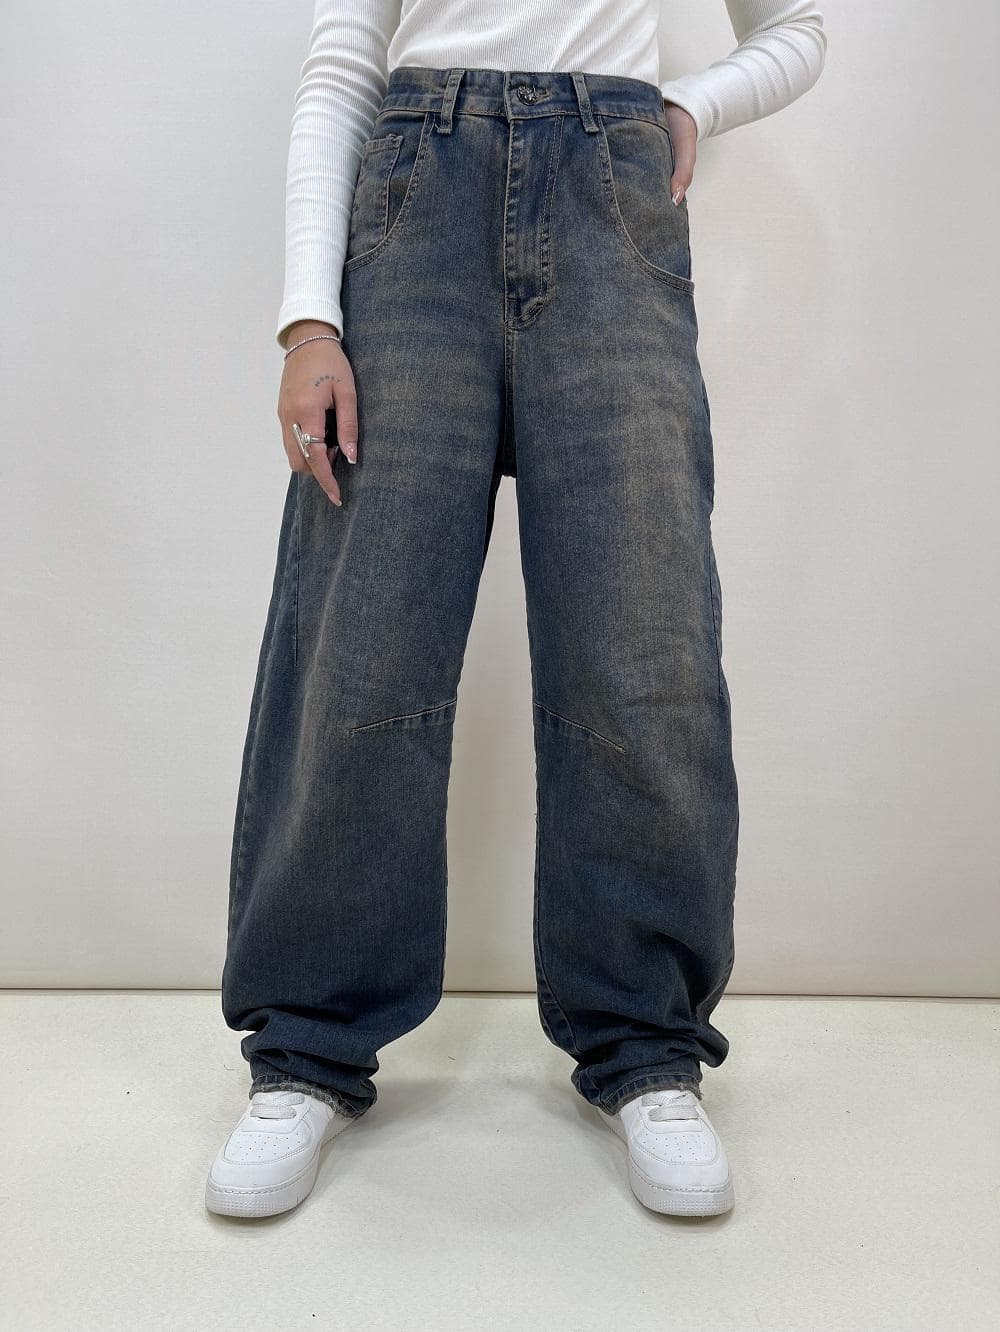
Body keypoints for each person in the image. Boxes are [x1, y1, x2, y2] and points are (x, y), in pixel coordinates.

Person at [205, 0, 827, 1220]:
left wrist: (691, 104)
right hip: (412, 207)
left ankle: (647, 1049)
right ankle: (305, 1053)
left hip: (611, 201)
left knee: (639, 640)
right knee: (362, 641)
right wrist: (308, 318)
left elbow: (797, 28)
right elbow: (343, 63)